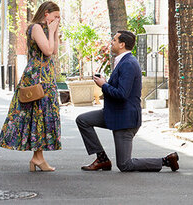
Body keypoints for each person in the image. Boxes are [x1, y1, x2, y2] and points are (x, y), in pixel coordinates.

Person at [76, 29, 179, 172]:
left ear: (121, 44)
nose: (111, 42)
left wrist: (104, 85)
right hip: (113, 113)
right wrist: (106, 82)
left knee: (124, 164)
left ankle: (166, 161)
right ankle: (102, 159)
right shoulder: (122, 61)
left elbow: (122, 94)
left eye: (114, 40)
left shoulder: (128, 64)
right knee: (82, 120)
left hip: (125, 120)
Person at [0, 1, 62, 171]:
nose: (57, 20)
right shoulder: (36, 28)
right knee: (37, 115)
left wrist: (54, 32)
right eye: (55, 16)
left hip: (46, 77)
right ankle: (37, 158)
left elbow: (54, 51)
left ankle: (38, 158)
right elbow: (47, 51)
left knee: (42, 116)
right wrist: (52, 31)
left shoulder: (47, 29)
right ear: (46, 13)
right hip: (36, 78)